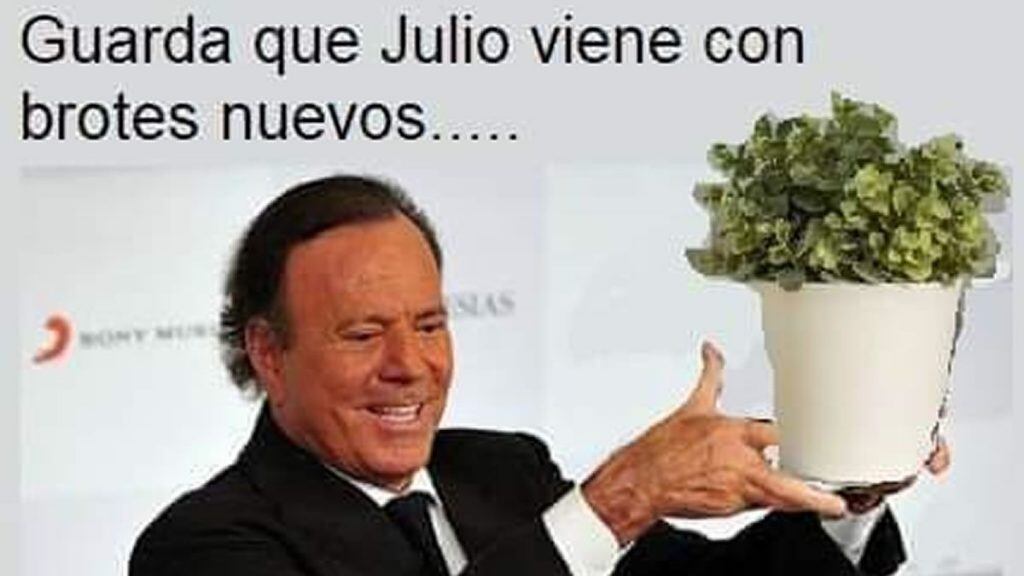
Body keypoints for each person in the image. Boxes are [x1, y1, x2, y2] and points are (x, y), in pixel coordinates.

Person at [129, 174, 949, 576]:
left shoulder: (503, 470)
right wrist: (617, 500)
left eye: (429, 325)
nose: (409, 365)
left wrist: (850, 484)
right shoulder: (202, 547)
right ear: (269, 353)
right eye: (364, 334)